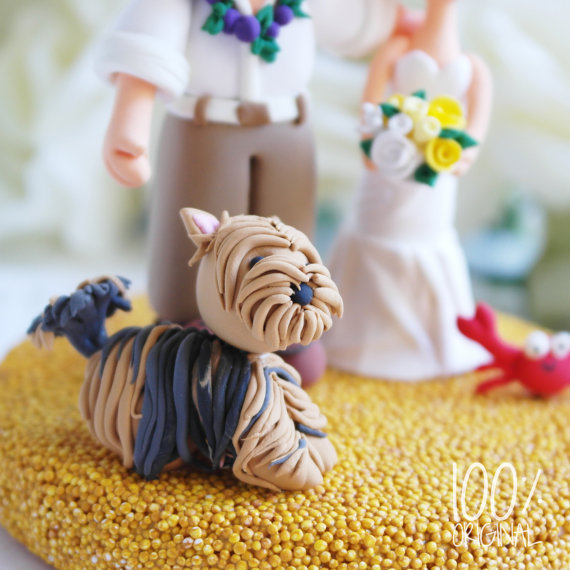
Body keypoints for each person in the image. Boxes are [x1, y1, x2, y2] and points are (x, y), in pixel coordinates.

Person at [96, 0, 408, 385]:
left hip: (288, 132)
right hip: (205, 131)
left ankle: (287, 326)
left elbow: (353, 22)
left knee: (289, 229)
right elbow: (149, 39)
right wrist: (130, 117)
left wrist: (397, 22)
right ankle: (189, 332)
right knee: (200, 237)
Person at [324, 0, 493, 380]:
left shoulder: (474, 65)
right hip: (389, 163)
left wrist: (465, 153)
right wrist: (371, 141)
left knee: (425, 235)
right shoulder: (397, 47)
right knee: (379, 232)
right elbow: (370, 103)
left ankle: (430, 339)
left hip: (437, 173)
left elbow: (477, 124)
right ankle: (359, 334)